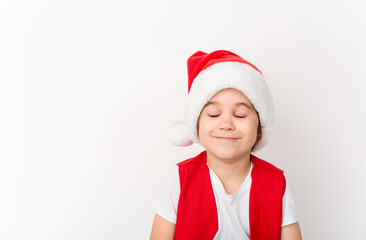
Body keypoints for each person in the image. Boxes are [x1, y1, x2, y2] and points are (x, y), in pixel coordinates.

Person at [150, 50, 302, 240]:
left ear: (260, 127)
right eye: (214, 114)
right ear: (196, 125)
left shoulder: (276, 183)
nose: (226, 124)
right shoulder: (179, 179)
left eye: (240, 115)